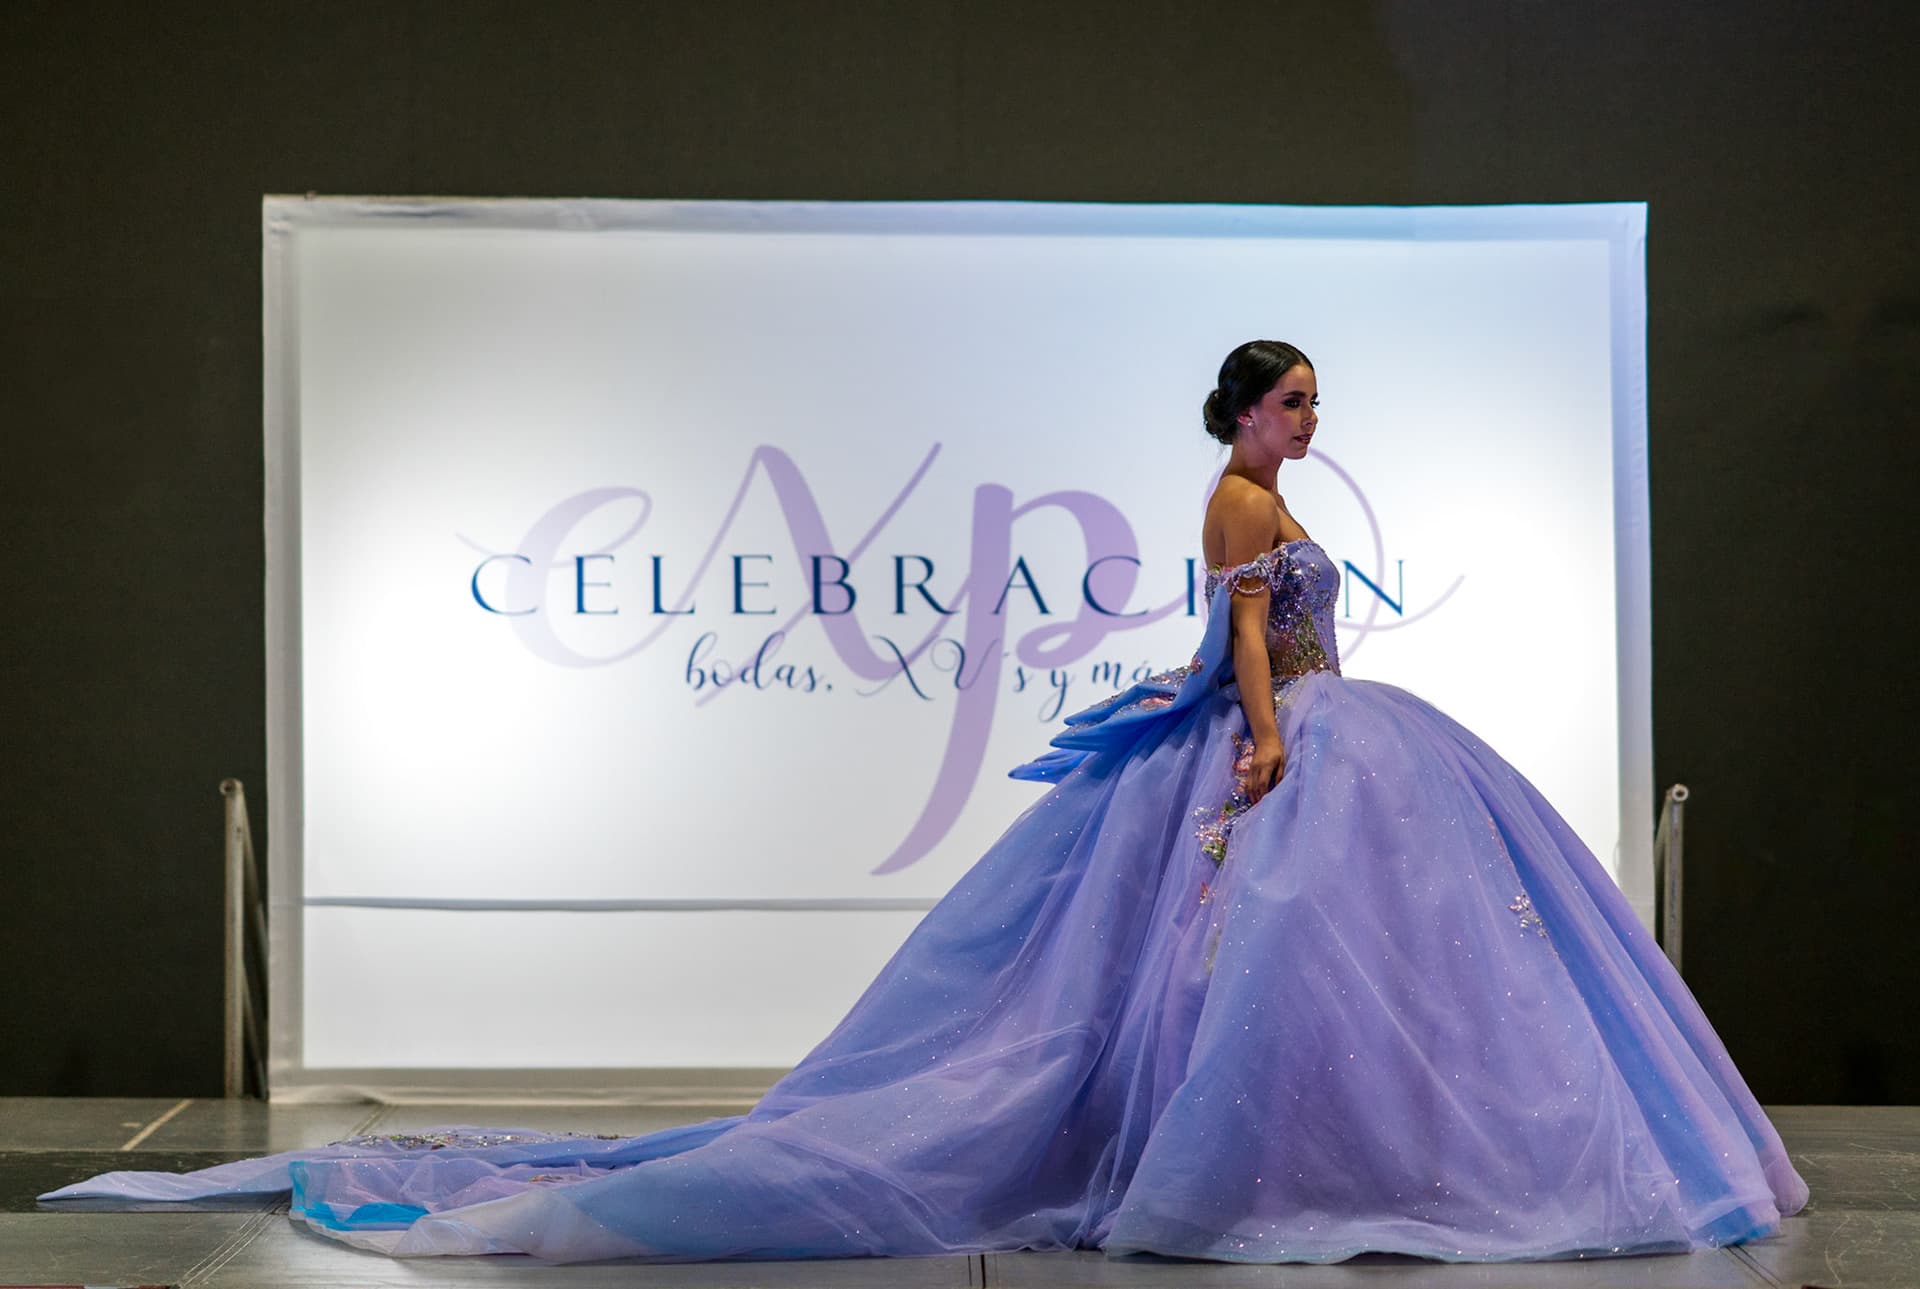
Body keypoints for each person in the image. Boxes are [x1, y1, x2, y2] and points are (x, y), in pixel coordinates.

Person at [44, 340, 1808, 1263]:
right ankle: (1263, 1165)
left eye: (1313, 406)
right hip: (1299, 742)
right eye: (1288, 403)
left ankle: (1356, 1151)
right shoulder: (1236, 510)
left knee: (1350, 976)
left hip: (1349, 736)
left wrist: (1296, 725)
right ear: (1243, 417)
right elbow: (1247, 645)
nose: (1302, 423)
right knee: (1247, 974)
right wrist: (1266, 748)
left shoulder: (1269, 500)